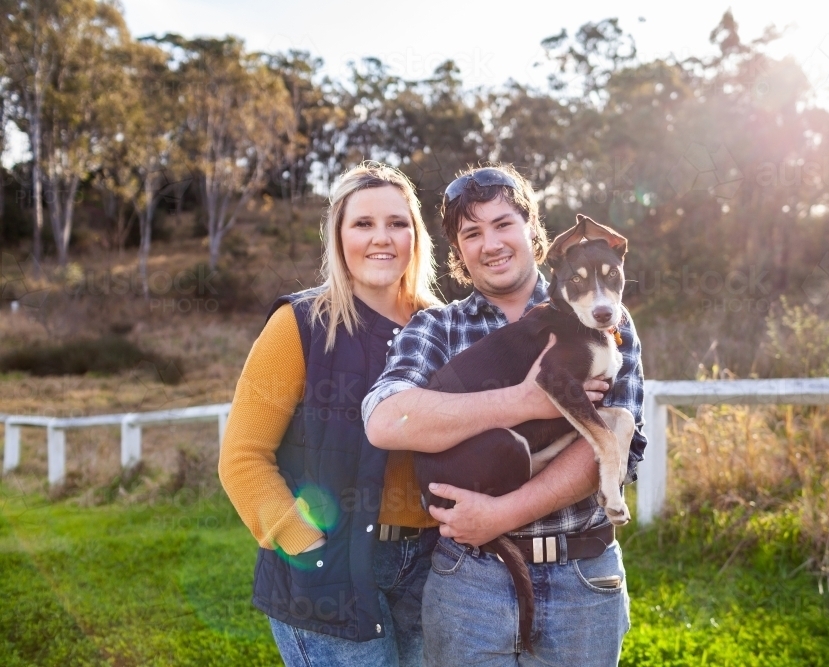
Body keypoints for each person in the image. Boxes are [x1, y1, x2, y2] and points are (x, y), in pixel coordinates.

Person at [363, 164, 646, 666]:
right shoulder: (437, 328)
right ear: (459, 252)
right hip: (468, 584)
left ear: (532, 232)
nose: (490, 243)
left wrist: (501, 515)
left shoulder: (605, 321)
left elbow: (614, 447)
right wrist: (525, 401)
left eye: (503, 224)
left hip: (582, 577)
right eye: (472, 233)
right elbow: (387, 420)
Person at [219, 162, 442, 667]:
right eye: (362, 224)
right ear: (338, 236)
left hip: (431, 569)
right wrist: (305, 545)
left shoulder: (441, 328)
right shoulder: (299, 325)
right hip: (330, 571)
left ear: (415, 235)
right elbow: (242, 459)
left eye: (397, 223)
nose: (381, 238)